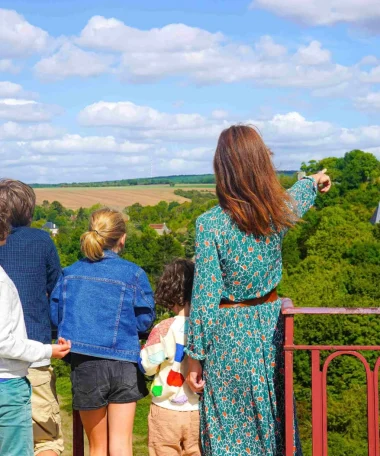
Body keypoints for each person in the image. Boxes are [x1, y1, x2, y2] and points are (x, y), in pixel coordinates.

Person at [185, 125, 331, 456]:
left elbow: (205, 299)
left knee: (228, 435)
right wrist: (316, 179)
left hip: (227, 340)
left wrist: (194, 356)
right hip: (272, 330)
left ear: (222, 168)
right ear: (260, 164)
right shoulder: (276, 213)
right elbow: (300, 196)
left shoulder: (210, 224)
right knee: (275, 424)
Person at [50, 208, 156, 456]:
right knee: (121, 446)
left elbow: (56, 316)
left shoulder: (70, 273)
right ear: (122, 238)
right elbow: (144, 320)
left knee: (97, 447)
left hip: (85, 364)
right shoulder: (134, 273)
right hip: (124, 364)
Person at [0, 199, 71, 456]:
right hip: (32, 354)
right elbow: (57, 291)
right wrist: (51, 344)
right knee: (46, 440)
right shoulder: (41, 241)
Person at [139, 259, 200, 456]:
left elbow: (147, 365)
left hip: (165, 408)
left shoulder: (163, 328)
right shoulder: (205, 328)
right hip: (199, 410)